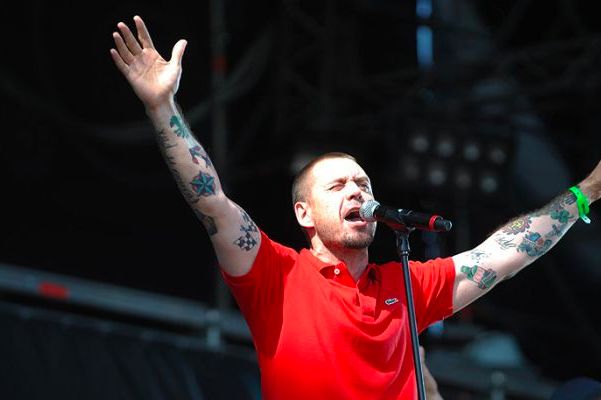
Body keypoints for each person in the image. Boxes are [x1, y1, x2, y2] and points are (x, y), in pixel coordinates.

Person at [110, 15, 601, 400]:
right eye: (338, 185)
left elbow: (507, 252)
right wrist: (162, 107)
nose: (356, 193)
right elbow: (211, 201)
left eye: (363, 184)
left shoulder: (405, 285)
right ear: (304, 214)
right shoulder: (275, 275)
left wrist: (587, 191)